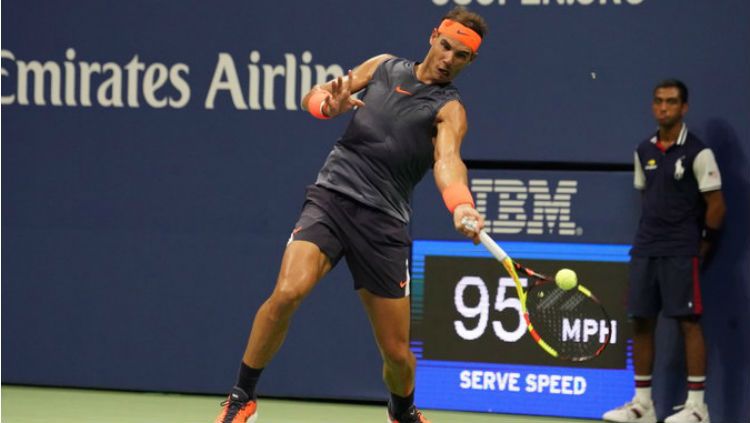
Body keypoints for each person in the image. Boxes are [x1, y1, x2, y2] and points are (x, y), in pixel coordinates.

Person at [213, 7, 488, 423]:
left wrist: (461, 203)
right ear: (433, 36)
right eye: (446, 45)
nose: (448, 57)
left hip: (383, 224)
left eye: (461, 55)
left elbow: (448, 161)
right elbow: (315, 95)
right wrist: (328, 105)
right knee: (288, 292)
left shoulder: (449, 109)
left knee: (396, 354)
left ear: (470, 61)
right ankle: (241, 397)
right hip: (331, 199)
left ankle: (402, 410)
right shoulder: (383, 67)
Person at [603, 79, 726, 423]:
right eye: (658, 101)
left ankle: (697, 408)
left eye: (671, 102)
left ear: (683, 108)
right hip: (646, 249)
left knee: (688, 324)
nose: (663, 108)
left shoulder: (699, 153)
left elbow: (716, 206)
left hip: (681, 249)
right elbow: (648, 200)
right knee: (641, 322)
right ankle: (643, 405)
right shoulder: (643, 150)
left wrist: (701, 245)